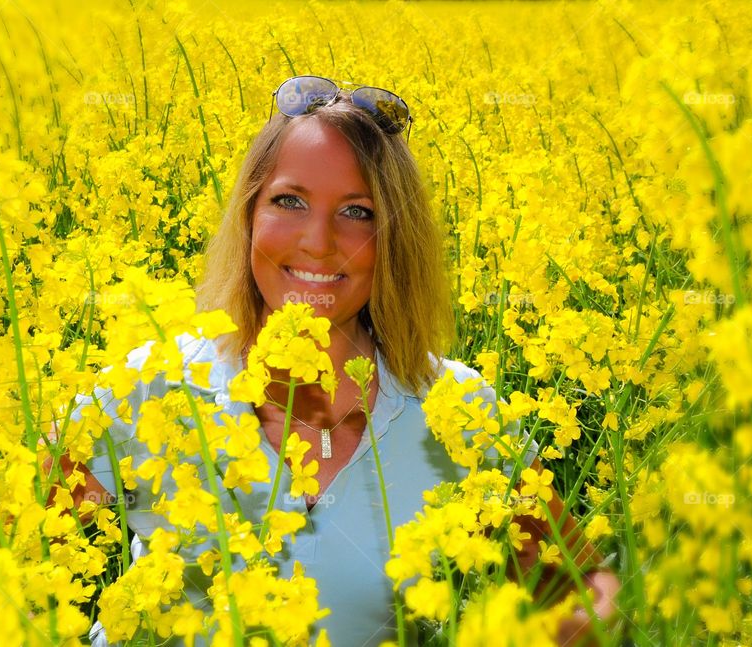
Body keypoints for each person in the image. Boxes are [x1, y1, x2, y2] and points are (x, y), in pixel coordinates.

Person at [55, 76, 621, 646]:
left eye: (358, 212)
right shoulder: (152, 384)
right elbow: (9, 551)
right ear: (250, 214)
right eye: (289, 201)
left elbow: (582, 586)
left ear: (395, 236)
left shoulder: (458, 412)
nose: (319, 241)